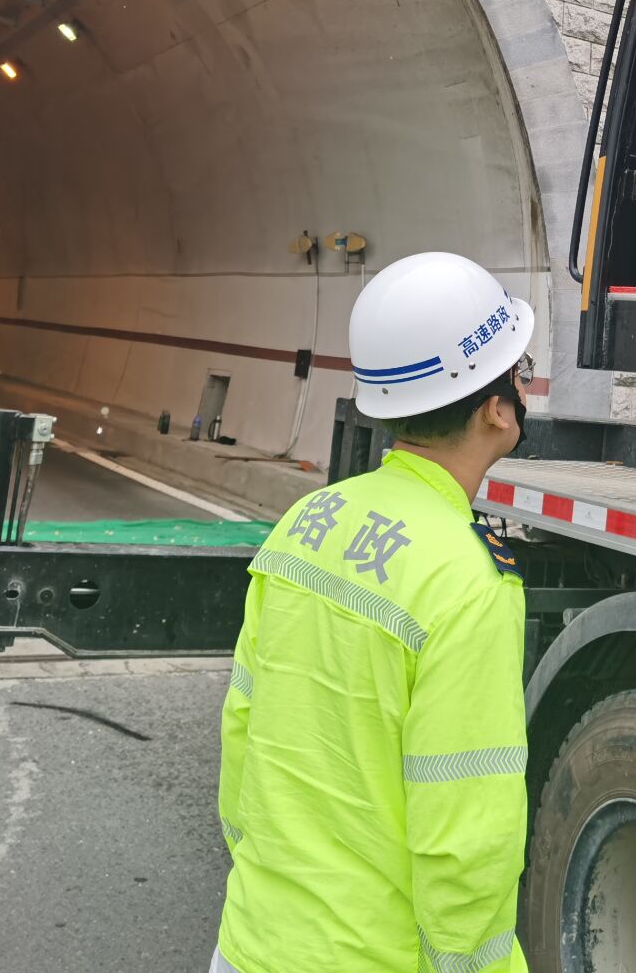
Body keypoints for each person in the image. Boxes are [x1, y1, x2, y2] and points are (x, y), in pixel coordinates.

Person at [213, 251, 533, 973]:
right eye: (520, 370)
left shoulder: (304, 522)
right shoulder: (467, 580)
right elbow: (465, 831)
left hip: (251, 940)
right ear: (494, 407)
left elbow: (243, 730)